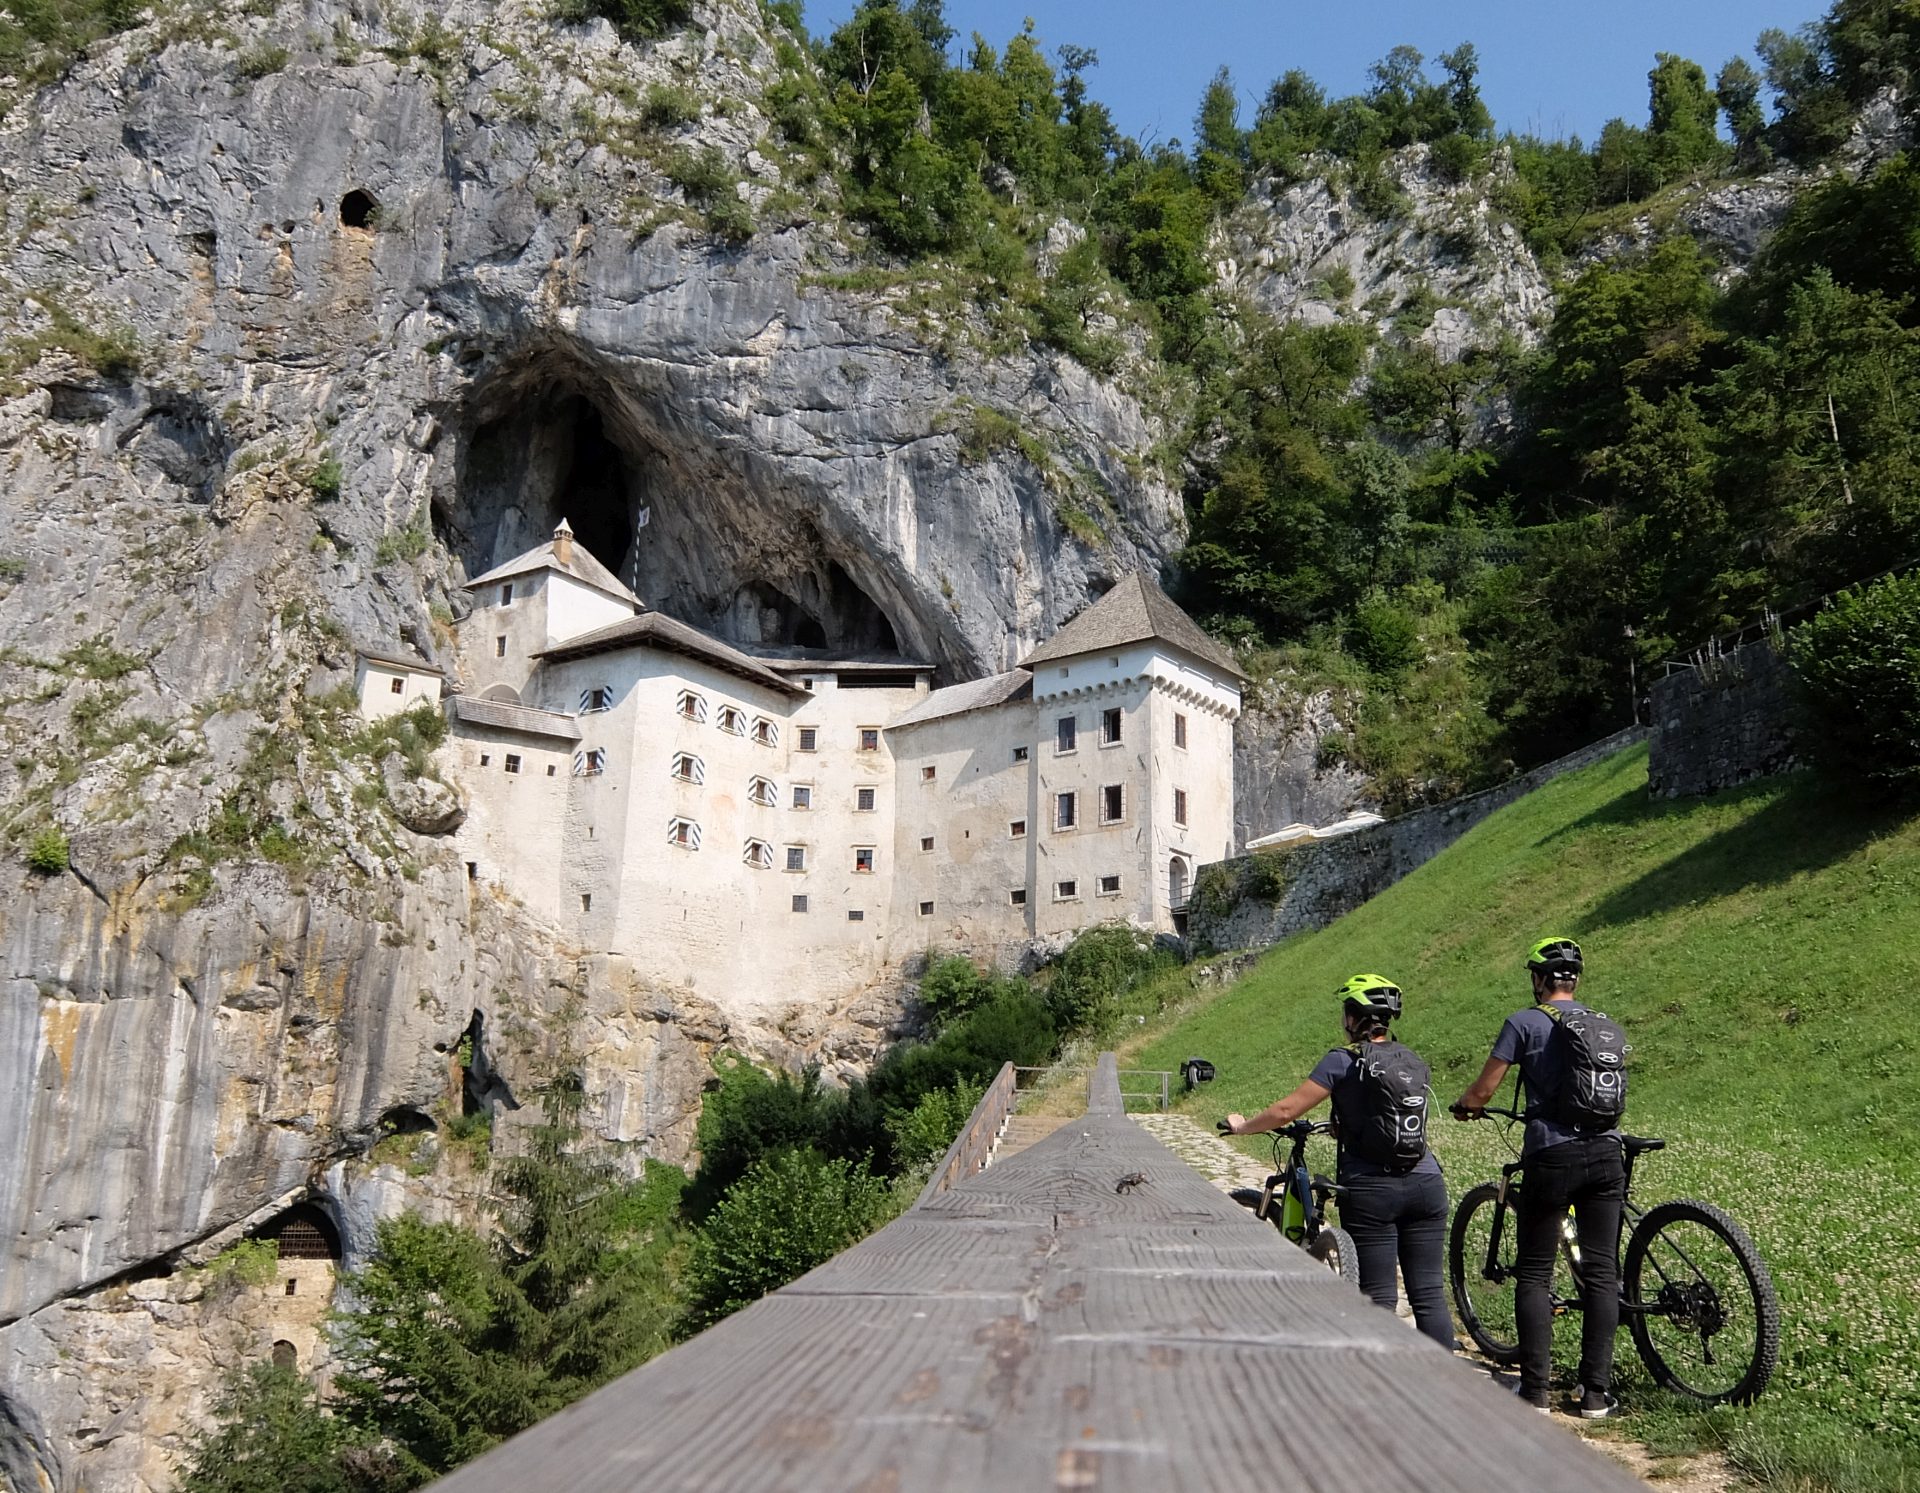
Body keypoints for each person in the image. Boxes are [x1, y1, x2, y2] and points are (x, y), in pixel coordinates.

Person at [1224, 974, 1452, 1347]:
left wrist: (1242, 1128)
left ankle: (1382, 1387)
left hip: (1372, 1191)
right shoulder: (1409, 1058)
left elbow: (1286, 1110)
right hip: (1427, 1182)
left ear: (1353, 1017)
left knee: (1378, 1297)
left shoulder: (1342, 1060)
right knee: (1428, 1294)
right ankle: (1448, 1389)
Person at [1452, 936, 1624, 1419]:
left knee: (1532, 1272)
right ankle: (1594, 1395)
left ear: (1538, 979)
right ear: (1575, 980)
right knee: (1603, 1271)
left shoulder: (1524, 1022)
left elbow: (1485, 1089)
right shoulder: (1604, 1024)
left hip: (1552, 1155)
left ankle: (1534, 1392)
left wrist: (1467, 1106)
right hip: (1607, 1152)